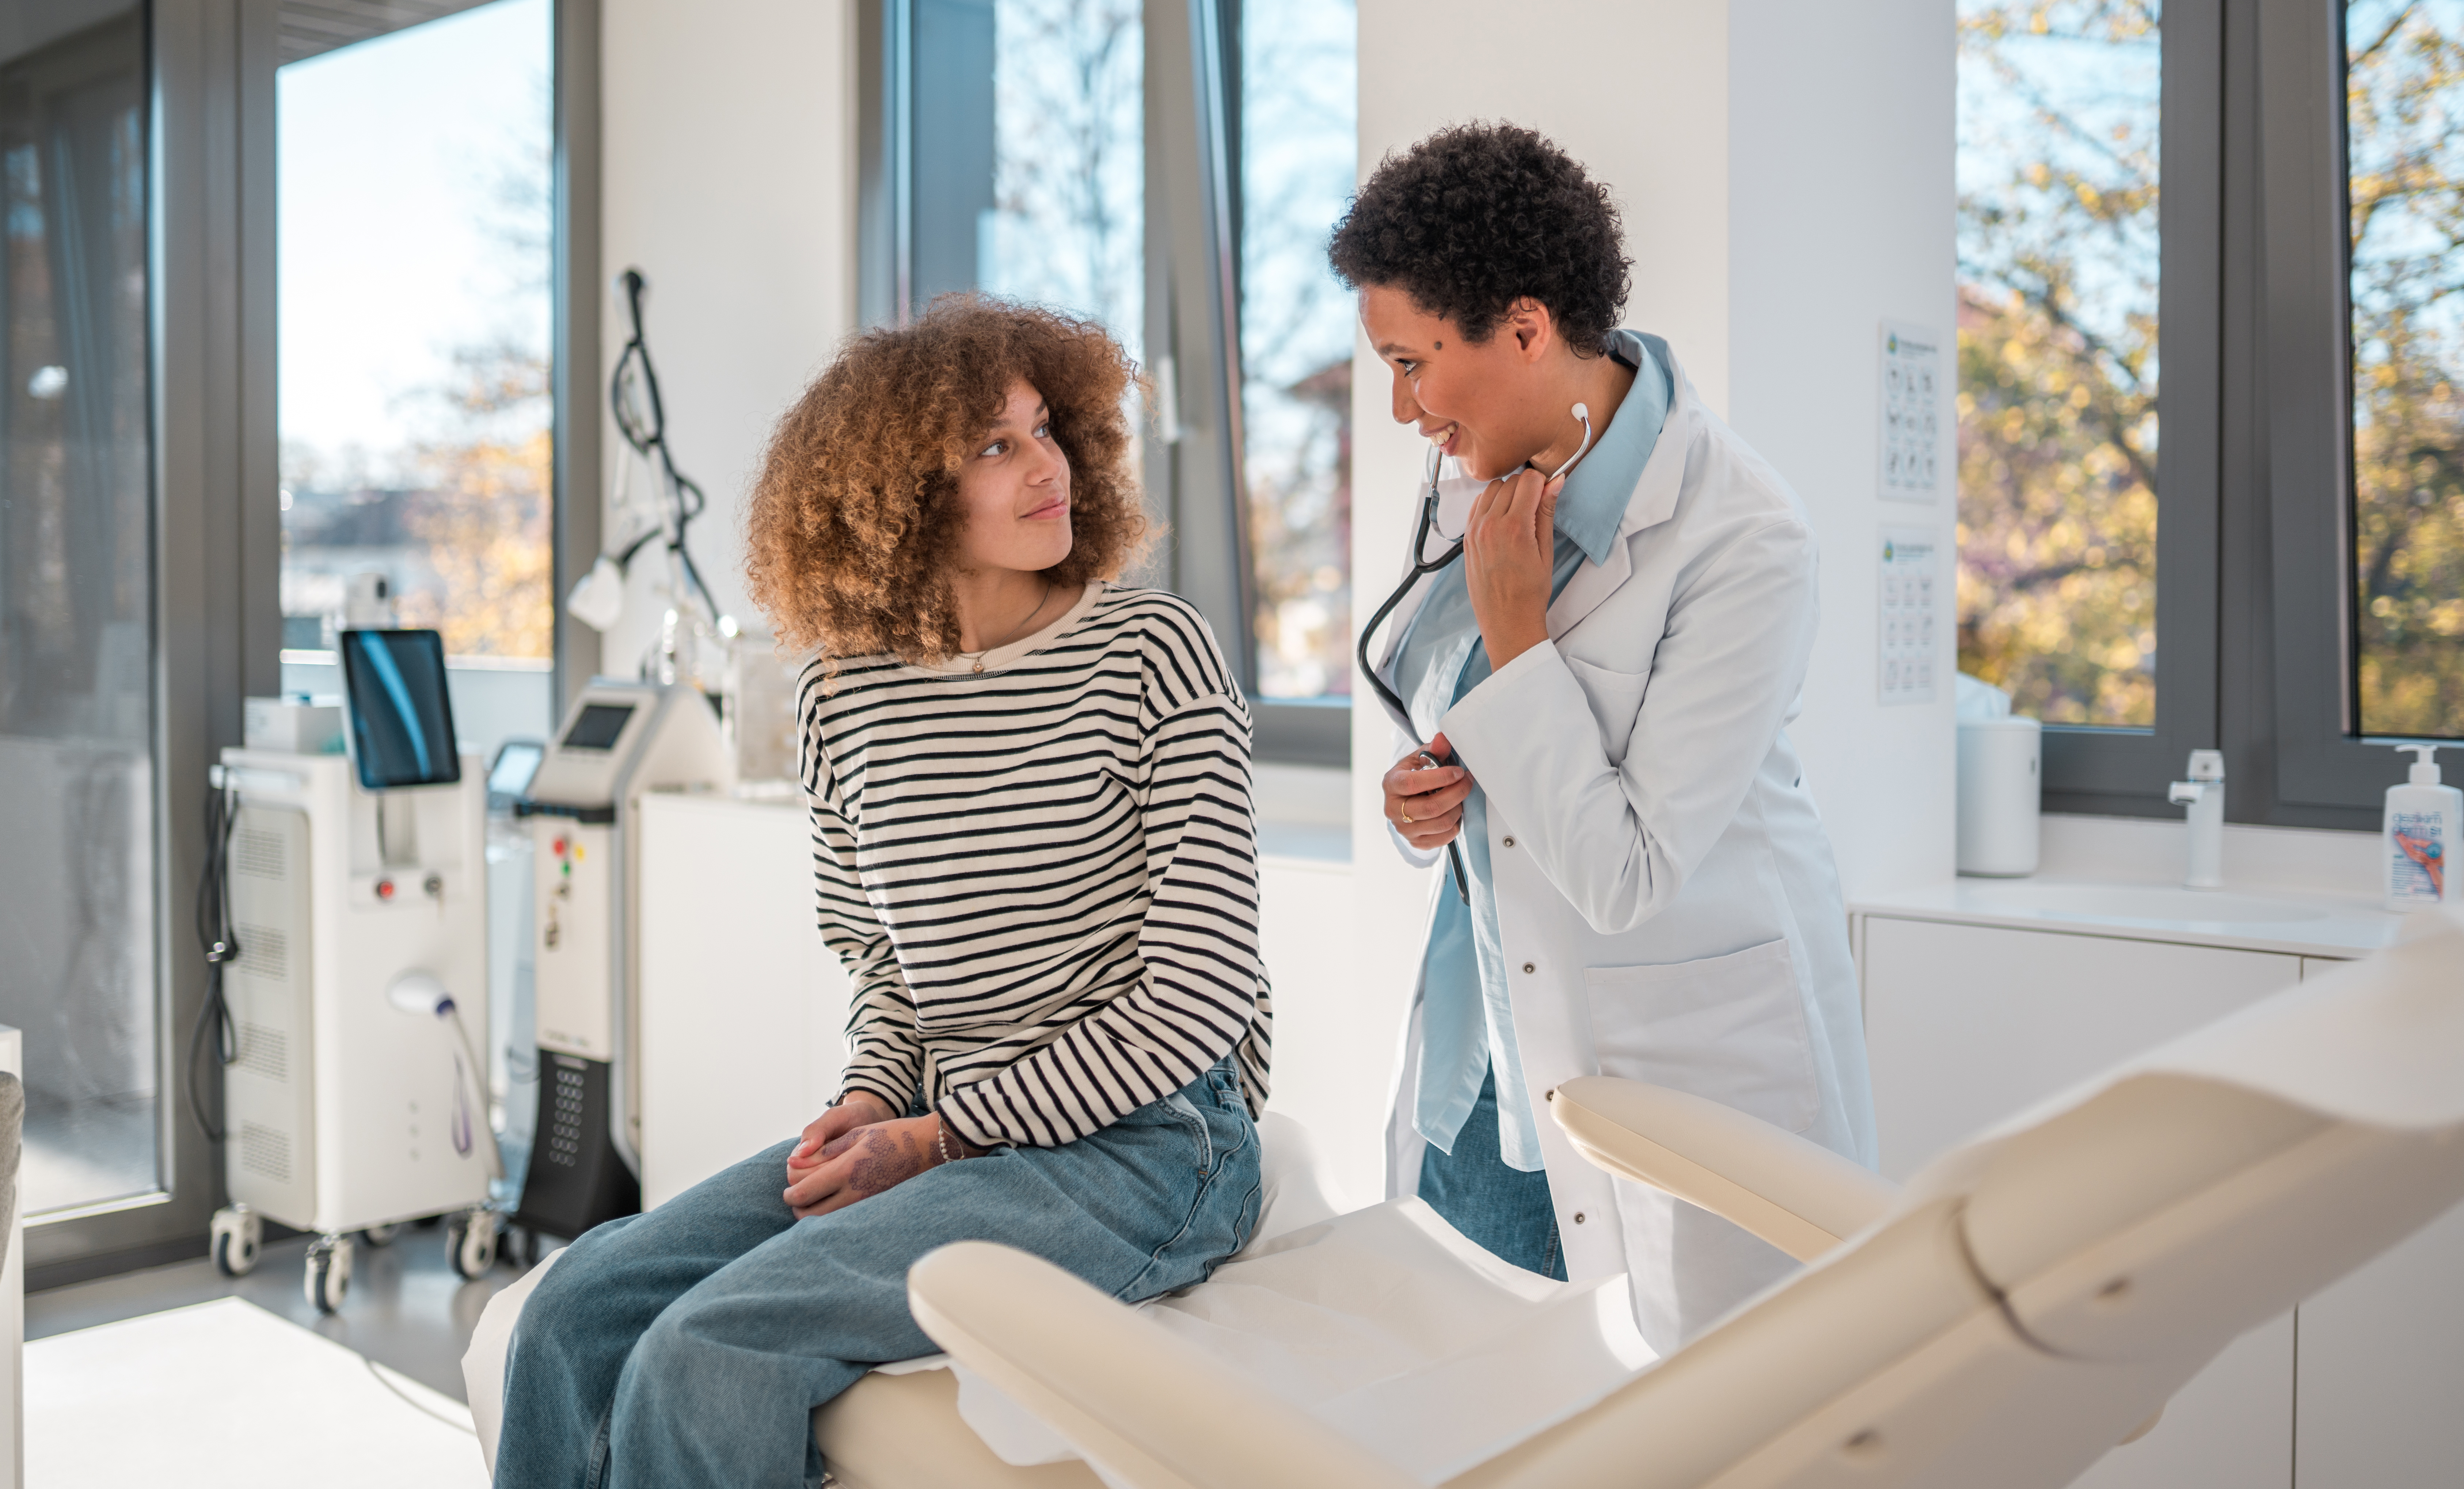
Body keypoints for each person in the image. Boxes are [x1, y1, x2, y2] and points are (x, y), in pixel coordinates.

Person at [493, 296, 1271, 1488]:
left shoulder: (1153, 653)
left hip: (1152, 1145)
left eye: (1047, 428)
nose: (1047, 465)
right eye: (995, 446)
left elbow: (1199, 999)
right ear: (901, 494)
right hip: (949, 1132)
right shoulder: (842, 698)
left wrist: (939, 1133)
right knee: (573, 1308)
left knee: (711, 1350)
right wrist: (874, 1094)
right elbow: (885, 963)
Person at [1338, 123, 1875, 1347]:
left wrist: (1518, 635)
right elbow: (1479, 735)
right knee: (1476, 1405)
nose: (1401, 405)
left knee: (1695, 1425)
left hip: (1672, 1061)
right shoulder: (1480, 468)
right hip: (1485, 1055)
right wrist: (1428, 800)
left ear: (1525, 329)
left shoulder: (1743, 537)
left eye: (1415, 361)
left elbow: (1625, 871)